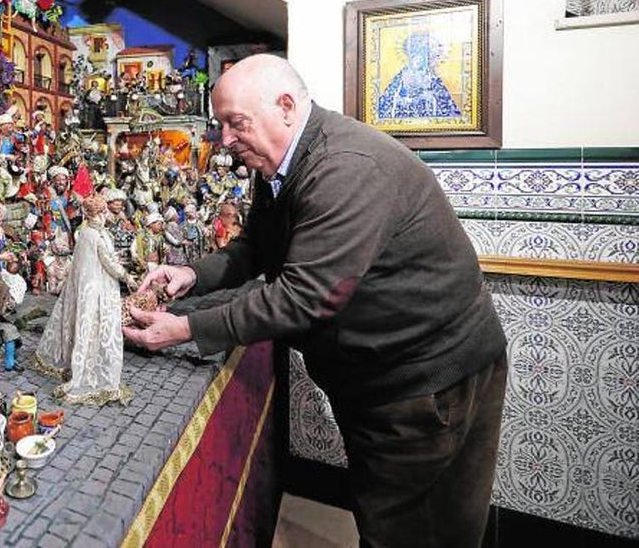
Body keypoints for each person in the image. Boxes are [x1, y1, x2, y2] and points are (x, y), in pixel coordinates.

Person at [123, 54, 507, 547]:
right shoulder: (282, 160)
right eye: (220, 124)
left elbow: (305, 298)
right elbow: (257, 246)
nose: (224, 140)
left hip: (427, 384)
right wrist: (190, 275)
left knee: (412, 530)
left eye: (235, 123)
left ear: (286, 106)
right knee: (384, 512)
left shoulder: (344, 169)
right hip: (380, 378)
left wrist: (185, 329)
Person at [35, 194, 134, 405]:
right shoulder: (96, 236)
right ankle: (90, 371)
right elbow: (109, 264)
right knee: (96, 327)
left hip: (85, 287)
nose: (105, 213)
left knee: (83, 324)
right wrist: (127, 277)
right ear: (97, 213)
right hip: (99, 288)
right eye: (103, 211)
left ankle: (78, 363)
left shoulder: (85, 232)